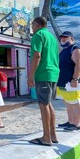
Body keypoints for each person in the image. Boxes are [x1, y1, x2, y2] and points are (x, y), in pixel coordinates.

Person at [28, 16, 60, 146]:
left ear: (37, 24)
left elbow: (37, 55)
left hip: (43, 73)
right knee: (49, 103)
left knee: (43, 105)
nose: (32, 28)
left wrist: (31, 75)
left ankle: (46, 137)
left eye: (32, 25)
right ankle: (52, 135)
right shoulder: (52, 37)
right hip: (53, 73)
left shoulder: (38, 35)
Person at [56, 31, 80, 131]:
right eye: (62, 38)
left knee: (75, 102)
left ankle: (77, 124)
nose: (63, 39)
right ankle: (71, 122)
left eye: (65, 37)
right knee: (68, 102)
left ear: (72, 39)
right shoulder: (64, 50)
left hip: (72, 82)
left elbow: (79, 65)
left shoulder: (75, 49)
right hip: (63, 82)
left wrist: (75, 79)